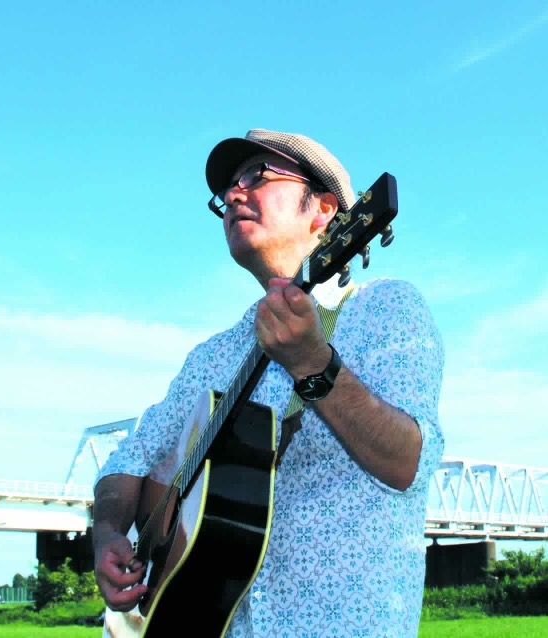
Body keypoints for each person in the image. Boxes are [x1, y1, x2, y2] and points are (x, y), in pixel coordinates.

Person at [92, 128, 445, 638]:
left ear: (324, 209)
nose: (234, 194)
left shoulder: (385, 308)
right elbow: (131, 458)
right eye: (228, 189)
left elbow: (409, 463)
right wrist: (108, 532)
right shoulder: (211, 357)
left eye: (258, 176)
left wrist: (313, 365)